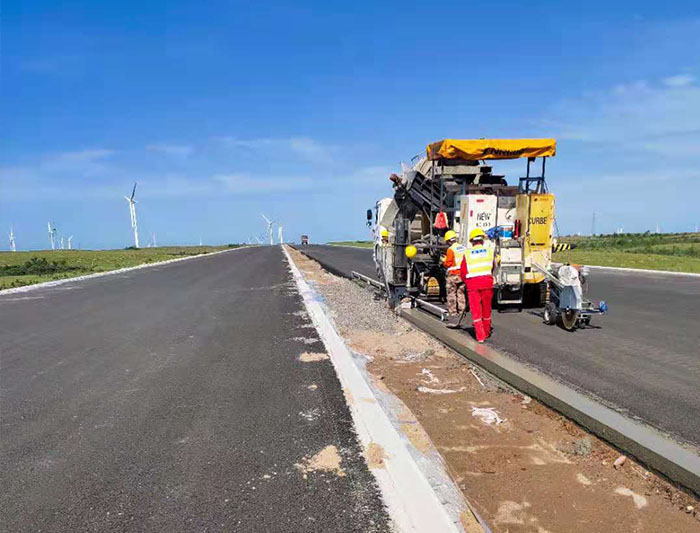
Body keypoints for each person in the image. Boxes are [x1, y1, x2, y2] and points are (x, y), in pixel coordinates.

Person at [460, 228, 497, 343]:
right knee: (486, 308)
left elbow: (463, 271)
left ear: (472, 241)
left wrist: (467, 283)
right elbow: (493, 267)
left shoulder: (467, 254)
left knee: (476, 310)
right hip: (487, 282)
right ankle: (486, 331)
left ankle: (480, 336)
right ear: (482, 240)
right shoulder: (490, 252)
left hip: (473, 284)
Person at [442, 230, 467, 326]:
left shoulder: (451, 250)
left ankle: (453, 312)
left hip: (453, 275)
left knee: (451, 293)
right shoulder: (463, 248)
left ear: (449, 241)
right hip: (462, 274)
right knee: (461, 293)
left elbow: (448, 263)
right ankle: (462, 311)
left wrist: (443, 261)